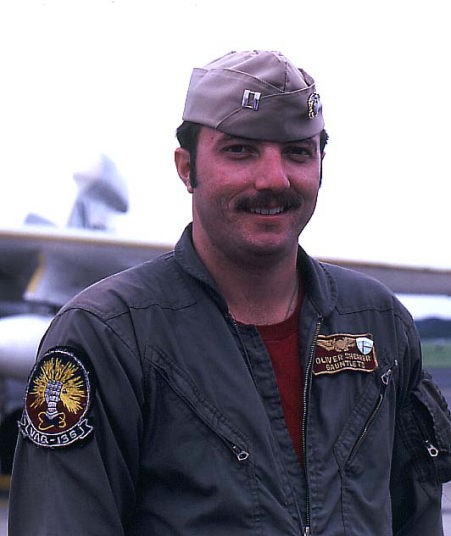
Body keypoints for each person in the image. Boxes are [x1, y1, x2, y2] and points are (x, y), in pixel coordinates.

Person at [8, 50, 451, 535]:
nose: (273, 178)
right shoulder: (107, 337)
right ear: (186, 168)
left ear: (321, 166)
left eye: (297, 152)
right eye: (240, 150)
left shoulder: (380, 323)